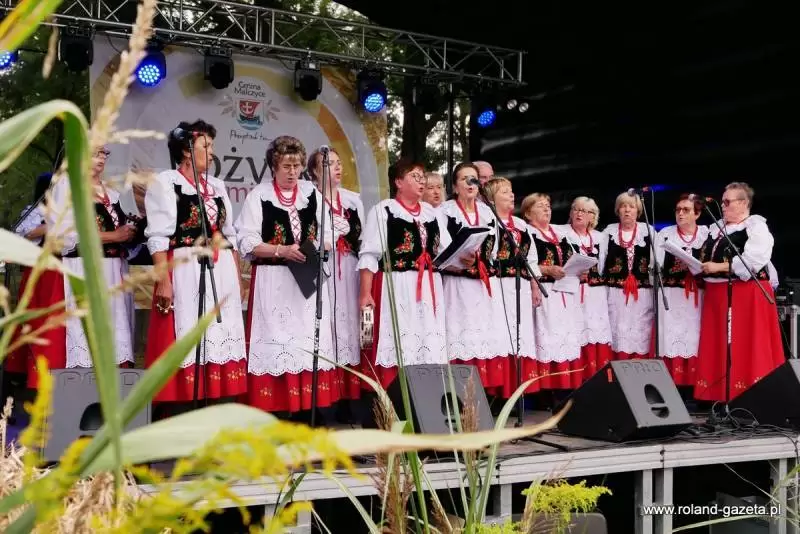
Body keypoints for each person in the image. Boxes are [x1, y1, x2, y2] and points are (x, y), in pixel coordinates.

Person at [13, 148, 137, 388]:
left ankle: (108, 395)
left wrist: (131, 233)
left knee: (112, 331)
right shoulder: (67, 188)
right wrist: (113, 236)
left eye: (104, 153)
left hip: (112, 270)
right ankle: (78, 393)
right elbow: (64, 234)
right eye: (96, 153)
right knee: (83, 330)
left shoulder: (110, 192)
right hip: (83, 268)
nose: (102, 158)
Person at [144, 121, 247, 411]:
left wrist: (238, 278)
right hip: (187, 267)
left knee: (219, 334)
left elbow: (229, 235)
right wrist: (163, 280)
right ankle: (181, 411)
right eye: (206, 146)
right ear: (187, 151)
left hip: (221, 268)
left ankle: (215, 405)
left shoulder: (217, 186)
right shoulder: (166, 182)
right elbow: (158, 236)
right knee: (188, 332)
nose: (212, 152)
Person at [236, 136, 337, 416]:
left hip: (306, 279)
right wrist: (281, 250)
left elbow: (330, 232)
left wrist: (314, 246)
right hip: (274, 281)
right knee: (276, 342)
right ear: (274, 166)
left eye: (296, 166)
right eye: (286, 166)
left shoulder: (311, 193)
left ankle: (308, 412)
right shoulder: (259, 196)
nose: (292, 172)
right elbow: (247, 241)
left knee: (307, 341)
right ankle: (275, 411)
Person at [358, 158, 451, 392]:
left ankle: (427, 394)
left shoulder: (431, 213)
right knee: (397, 337)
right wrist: (365, 294)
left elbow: (447, 250)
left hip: (429, 285)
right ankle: (394, 397)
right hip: (397, 283)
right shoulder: (384, 210)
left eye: (423, 177)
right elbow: (369, 254)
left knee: (427, 338)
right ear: (398, 182)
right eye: (415, 176)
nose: (422, 182)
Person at [695, 182, 784, 402]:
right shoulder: (717, 229)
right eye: (722, 201)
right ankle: (718, 395)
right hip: (717, 294)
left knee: (745, 343)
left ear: (743, 203)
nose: (723, 206)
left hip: (745, 293)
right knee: (718, 346)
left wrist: (718, 266)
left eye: (727, 202)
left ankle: (749, 395)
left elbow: (753, 260)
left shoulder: (755, 227)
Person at [439, 163, 506, 393]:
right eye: (464, 179)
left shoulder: (487, 212)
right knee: (460, 334)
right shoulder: (445, 211)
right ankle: (458, 392)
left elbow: (494, 250)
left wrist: (480, 260)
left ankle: (483, 394)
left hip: (481, 284)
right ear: (455, 186)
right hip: (456, 284)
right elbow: (440, 249)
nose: (470, 183)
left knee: (482, 334)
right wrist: (459, 260)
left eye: (474, 179)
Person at [307, 145, 363, 405]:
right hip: (323, 268)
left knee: (348, 325)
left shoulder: (353, 200)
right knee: (325, 323)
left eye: (339, 163)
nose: (337, 167)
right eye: (329, 163)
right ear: (315, 171)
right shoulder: (309, 198)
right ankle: (325, 396)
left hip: (349, 268)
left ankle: (349, 395)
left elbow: (362, 238)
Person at [484, 177, 541, 397]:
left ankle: (518, 392)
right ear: (492, 198)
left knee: (520, 334)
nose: (512, 195)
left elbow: (532, 258)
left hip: (520, 286)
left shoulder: (521, 225)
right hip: (498, 285)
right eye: (505, 192)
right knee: (502, 333)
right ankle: (500, 392)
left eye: (511, 191)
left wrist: (535, 287)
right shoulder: (489, 221)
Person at [522, 193, 585, 390]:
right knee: (547, 338)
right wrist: (548, 269)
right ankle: (547, 390)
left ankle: (567, 388)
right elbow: (524, 264)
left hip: (567, 292)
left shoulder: (561, 233)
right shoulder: (528, 233)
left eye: (548, 206)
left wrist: (580, 269)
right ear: (528, 213)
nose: (546, 209)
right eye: (540, 206)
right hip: (546, 292)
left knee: (566, 337)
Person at [654, 194, 709, 389]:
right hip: (672, 295)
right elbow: (656, 265)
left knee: (695, 336)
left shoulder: (706, 234)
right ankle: (672, 385)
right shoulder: (666, 234)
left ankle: (695, 386)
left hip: (698, 296)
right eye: (678, 210)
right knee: (672, 336)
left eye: (686, 210)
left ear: (697, 214)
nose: (680, 213)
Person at [555, 196, 613, 379]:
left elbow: (604, 267)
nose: (579, 213)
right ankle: (574, 379)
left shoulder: (601, 238)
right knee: (574, 332)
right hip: (571, 292)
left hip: (595, 295)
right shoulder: (560, 232)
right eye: (576, 209)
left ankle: (596, 379)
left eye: (584, 211)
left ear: (592, 216)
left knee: (594, 332)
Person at [600, 191, 657, 359]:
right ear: (618, 210)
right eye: (623, 206)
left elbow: (656, 262)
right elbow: (601, 262)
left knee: (641, 330)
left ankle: (640, 368)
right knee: (618, 329)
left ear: (638, 210)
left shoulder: (649, 231)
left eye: (631, 206)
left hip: (642, 294)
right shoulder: (609, 232)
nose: (627, 210)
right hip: (616, 293)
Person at [5, 172, 53, 375]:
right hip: (39, 271)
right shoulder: (35, 211)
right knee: (35, 318)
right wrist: (53, 224)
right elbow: (26, 233)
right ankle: (27, 370)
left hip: (60, 269)